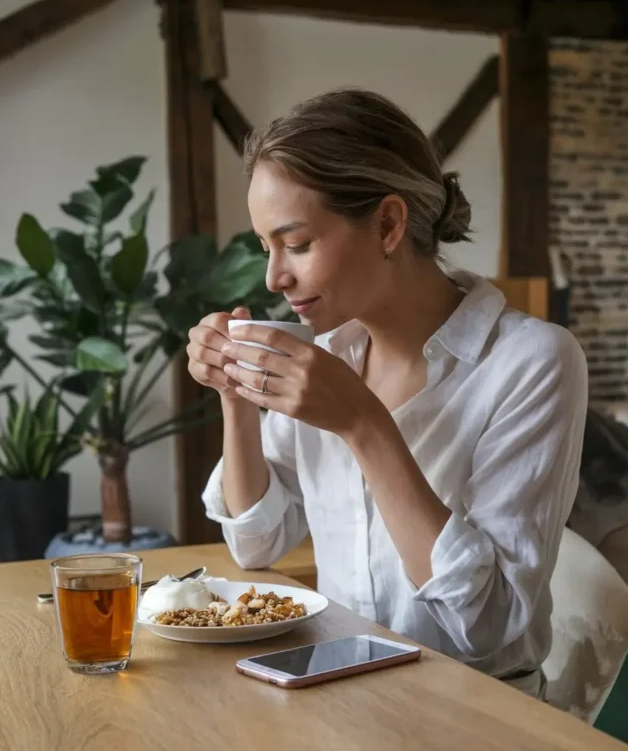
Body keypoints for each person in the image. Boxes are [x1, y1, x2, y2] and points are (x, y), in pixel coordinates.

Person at [187, 88, 588, 698]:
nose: (275, 277)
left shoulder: (531, 361)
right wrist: (238, 400)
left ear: (388, 224)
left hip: (479, 716)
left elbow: (485, 624)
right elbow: (255, 544)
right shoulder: (327, 358)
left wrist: (363, 424)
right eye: (266, 248)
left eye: (296, 244)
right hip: (339, 695)